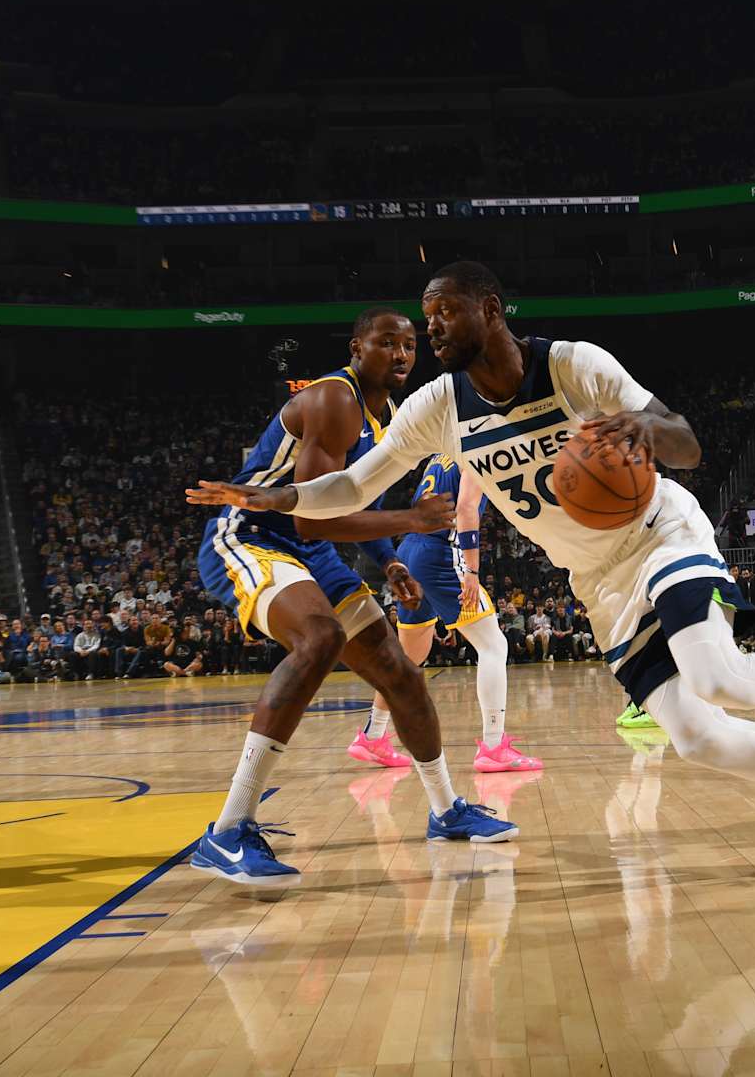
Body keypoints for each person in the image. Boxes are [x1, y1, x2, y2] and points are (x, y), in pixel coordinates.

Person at [189, 262, 755, 872]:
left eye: (441, 314)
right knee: (697, 737)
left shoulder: (574, 365)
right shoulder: (438, 405)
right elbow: (353, 486)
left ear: (489, 310)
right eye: (422, 321)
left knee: (716, 674)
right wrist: (277, 493)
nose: (428, 330)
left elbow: (689, 445)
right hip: (597, 582)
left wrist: (642, 426)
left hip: (658, 531)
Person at [186, 306, 514, 885]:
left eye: (409, 345)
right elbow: (314, 518)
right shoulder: (335, 399)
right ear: (357, 348)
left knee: (400, 672)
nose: (402, 354)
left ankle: (446, 811)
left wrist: (388, 561)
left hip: (309, 548)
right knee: (321, 636)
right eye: (387, 343)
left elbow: (348, 503)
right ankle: (228, 831)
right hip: (251, 533)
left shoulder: (386, 418)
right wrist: (411, 521)